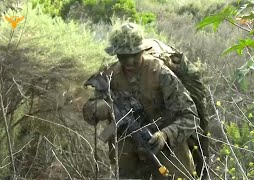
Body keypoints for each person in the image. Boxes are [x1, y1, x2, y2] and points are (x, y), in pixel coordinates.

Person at [84, 22, 200, 179]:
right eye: (124, 56)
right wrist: (102, 107)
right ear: (116, 54)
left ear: (142, 50)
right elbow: (89, 114)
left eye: (135, 55)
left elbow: (190, 116)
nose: (129, 61)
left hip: (167, 154)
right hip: (129, 160)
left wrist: (165, 135)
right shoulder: (110, 75)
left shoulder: (160, 73)